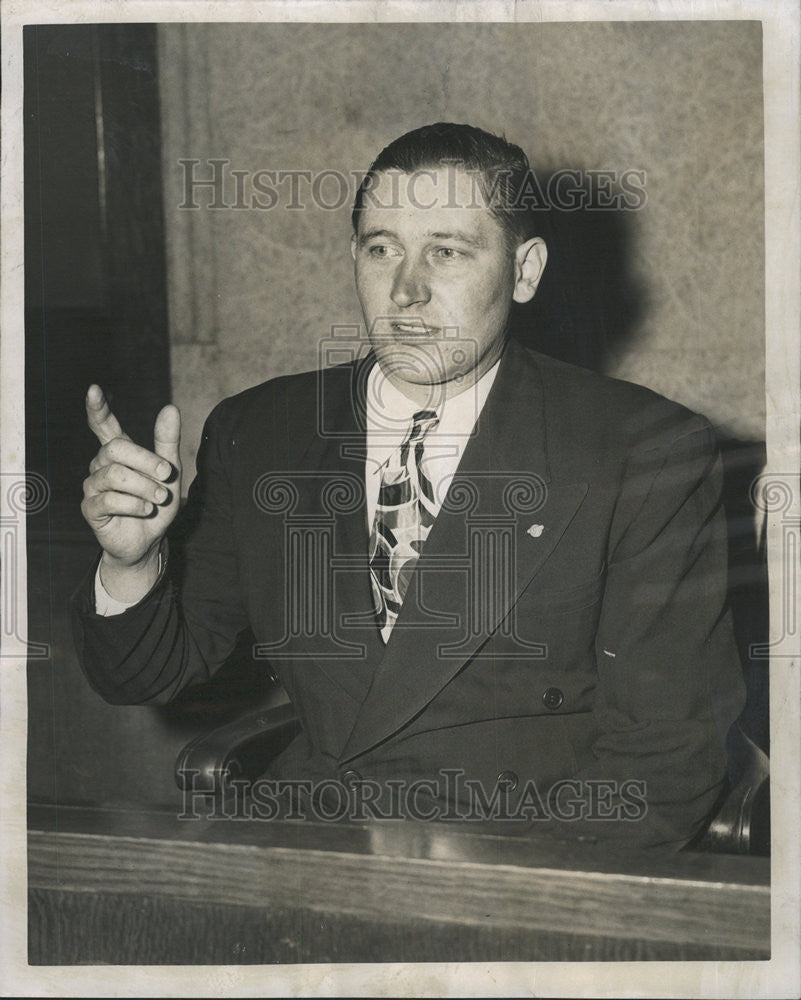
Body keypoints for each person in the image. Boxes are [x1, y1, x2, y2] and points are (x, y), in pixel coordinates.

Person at [72, 122, 745, 848]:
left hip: (524, 861)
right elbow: (148, 676)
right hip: (307, 846)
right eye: (381, 249)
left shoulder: (640, 449)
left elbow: (666, 759)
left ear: (523, 272)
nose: (405, 291)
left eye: (446, 252)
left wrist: (506, 908)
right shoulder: (261, 430)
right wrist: (131, 562)